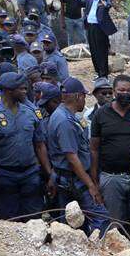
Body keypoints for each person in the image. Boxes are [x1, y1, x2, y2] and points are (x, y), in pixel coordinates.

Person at [91, 73, 130, 236]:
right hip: (111, 178)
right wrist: (94, 181)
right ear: (114, 91)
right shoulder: (101, 114)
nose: (126, 94)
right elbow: (94, 148)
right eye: (121, 90)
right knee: (115, 224)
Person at [0, 72, 53, 220]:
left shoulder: (31, 113)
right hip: (4, 175)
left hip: (30, 174)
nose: (25, 92)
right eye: (22, 89)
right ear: (9, 90)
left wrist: (49, 174)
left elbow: (40, 145)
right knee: (9, 221)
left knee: (34, 219)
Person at [45, 77, 105, 228]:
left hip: (66, 177)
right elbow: (72, 158)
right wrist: (91, 185)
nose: (85, 101)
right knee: (100, 217)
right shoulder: (65, 121)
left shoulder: (65, 115)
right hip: (74, 179)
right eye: (84, 97)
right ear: (79, 96)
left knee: (73, 221)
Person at [84, 0, 116, 80]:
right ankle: (98, 72)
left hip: (100, 29)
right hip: (90, 27)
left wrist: (104, 4)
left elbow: (109, 5)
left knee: (101, 51)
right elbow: (81, 4)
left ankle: (104, 74)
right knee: (93, 50)